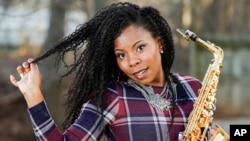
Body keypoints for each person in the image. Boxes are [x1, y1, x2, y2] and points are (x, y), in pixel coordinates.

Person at [10, 2, 202, 141]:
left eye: (140, 47)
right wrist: (33, 95)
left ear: (159, 43)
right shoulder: (112, 97)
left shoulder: (193, 88)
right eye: (121, 55)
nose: (132, 61)